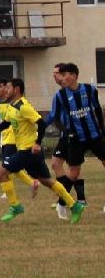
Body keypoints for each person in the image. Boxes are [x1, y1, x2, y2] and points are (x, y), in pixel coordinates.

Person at [0, 78, 84, 223]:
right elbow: (6, 123)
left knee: (1, 173)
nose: (5, 91)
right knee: (47, 181)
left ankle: (15, 206)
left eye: (8, 88)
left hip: (28, 150)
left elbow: (41, 124)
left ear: (16, 89)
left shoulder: (23, 107)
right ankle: (74, 205)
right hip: (30, 152)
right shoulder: (12, 106)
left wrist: (37, 143)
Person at [48, 62, 105, 212]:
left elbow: (98, 110)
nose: (61, 78)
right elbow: (55, 118)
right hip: (76, 139)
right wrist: (67, 132)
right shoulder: (60, 95)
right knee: (73, 173)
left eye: (64, 75)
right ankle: (62, 203)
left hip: (94, 135)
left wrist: (102, 129)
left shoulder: (89, 90)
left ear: (73, 76)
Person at [0, 79, 39, 201]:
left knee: (7, 166)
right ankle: (32, 183)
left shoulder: (12, 103)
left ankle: (9, 191)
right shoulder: (1, 103)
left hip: (12, 139)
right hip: (5, 138)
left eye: (0, 86)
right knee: (12, 166)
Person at [47, 63, 74, 219]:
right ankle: (65, 200)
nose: (55, 77)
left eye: (57, 73)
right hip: (67, 135)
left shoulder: (77, 91)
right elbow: (54, 116)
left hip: (78, 135)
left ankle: (65, 201)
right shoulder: (59, 94)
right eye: (54, 74)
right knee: (57, 164)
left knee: (73, 170)